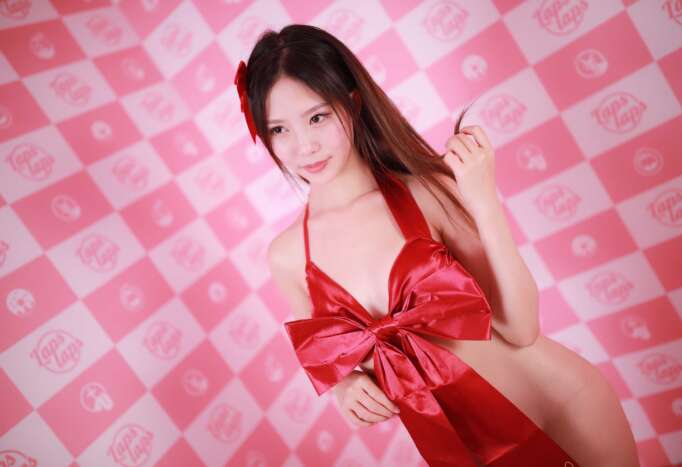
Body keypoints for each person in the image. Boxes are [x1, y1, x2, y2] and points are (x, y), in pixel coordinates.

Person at [238, 24, 639, 467]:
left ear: (352, 103)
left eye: (317, 117)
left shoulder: (423, 193)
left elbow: (521, 329)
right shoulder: (289, 257)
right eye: (279, 129)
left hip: (561, 410)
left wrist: (483, 201)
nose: (304, 145)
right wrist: (345, 388)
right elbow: (329, 360)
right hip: (468, 453)